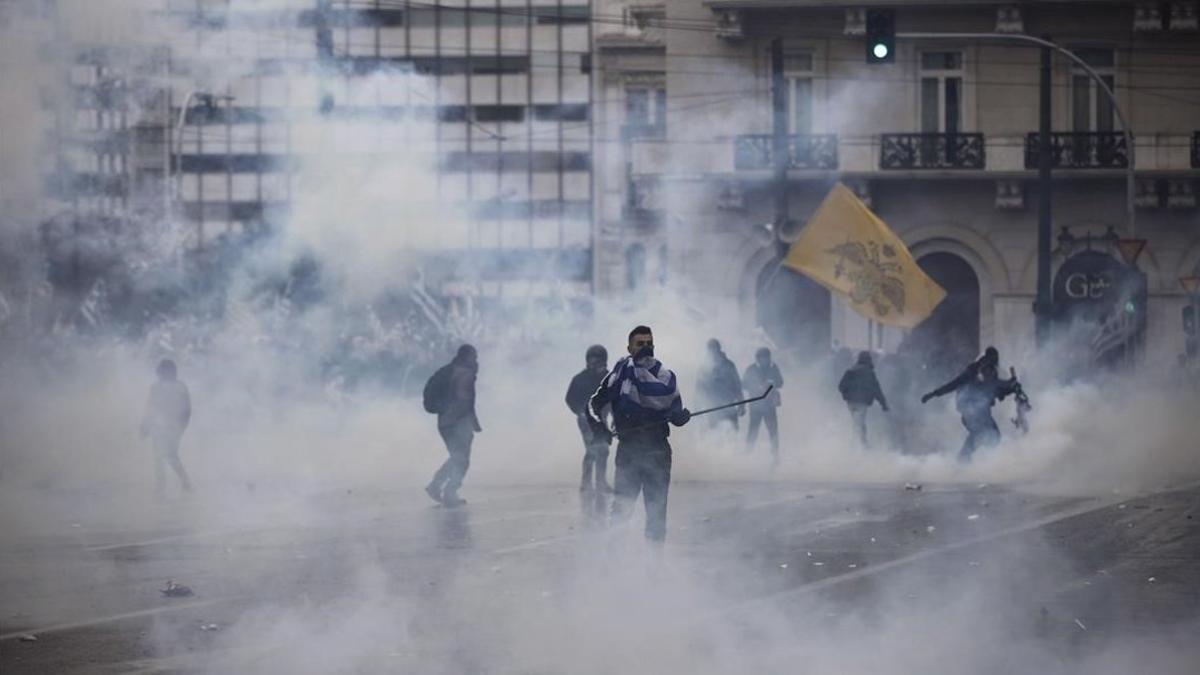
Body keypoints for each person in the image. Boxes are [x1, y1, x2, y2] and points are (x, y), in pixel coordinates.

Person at [587, 325, 691, 542]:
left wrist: (680, 418)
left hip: (658, 454)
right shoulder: (618, 376)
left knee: (656, 517)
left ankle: (654, 566)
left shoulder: (665, 379)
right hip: (628, 454)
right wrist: (599, 427)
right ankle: (613, 563)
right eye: (640, 344)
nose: (646, 348)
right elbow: (593, 405)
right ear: (629, 347)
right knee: (621, 514)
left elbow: (674, 412)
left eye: (649, 343)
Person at [920, 346, 1020, 461]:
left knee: (994, 436)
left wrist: (1012, 386)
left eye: (991, 366)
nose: (988, 371)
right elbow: (954, 384)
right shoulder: (972, 371)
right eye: (986, 367)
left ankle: (989, 463)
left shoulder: (992, 373)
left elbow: (998, 387)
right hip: (968, 408)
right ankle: (962, 459)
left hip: (983, 411)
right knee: (978, 432)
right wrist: (933, 394)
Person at [425, 344, 482, 507]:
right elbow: (465, 400)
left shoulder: (449, 370)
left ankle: (436, 485)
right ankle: (449, 492)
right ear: (468, 357)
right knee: (461, 459)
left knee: (457, 457)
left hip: (444, 422)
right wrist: (472, 422)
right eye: (474, 356)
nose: (476, 360)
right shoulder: (464, 373)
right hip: (457, 422)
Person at [140, 359, 192, 494]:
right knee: (161, 456)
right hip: (161, 426)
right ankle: (163, 485)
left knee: (169, 455)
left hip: (171, 426)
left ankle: (182, 481)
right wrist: (145, 426)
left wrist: (182, 425)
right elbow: (151, 407)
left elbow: (187, 408)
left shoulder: (178, 387)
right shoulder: (158, 387)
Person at [565, 345, 613, 492]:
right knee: (593, 449)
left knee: (603, 450)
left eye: (597, 359)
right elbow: (570, 398)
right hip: (585, 420)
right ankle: (587, 484)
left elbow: (615, 397)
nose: (594, 362)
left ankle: (600, 482)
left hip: (601, 419)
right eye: (592, 359)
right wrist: (579, 411)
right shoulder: (580, 379)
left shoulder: (608, 378)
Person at [838, 351, 889, 447]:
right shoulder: (869, 373)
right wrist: (884, 404)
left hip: (850, 402)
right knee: (860, 423)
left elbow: (841, 386)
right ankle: (860, 444)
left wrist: (847, 395)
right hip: (862, 402)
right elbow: (876, 389)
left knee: (856, 422)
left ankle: (857, 444)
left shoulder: (850, 371)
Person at [742, 347, 784, 462]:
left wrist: (772, 382)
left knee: (773, 431)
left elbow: (781, 382)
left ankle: (775, 456)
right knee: (753, 431)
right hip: (756, 406)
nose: (767, 360)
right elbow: (744, 384)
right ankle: (748, 455)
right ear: (759, 359)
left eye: (768, 357)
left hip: (770, 405)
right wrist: (756, 386)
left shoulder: (773, 368)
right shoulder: (751, 369)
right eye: (764, 358)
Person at [696, 338, 744, 431]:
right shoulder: (704, 367)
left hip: (728, 404)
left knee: (732, 432)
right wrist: (698, 406)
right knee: (715, 434)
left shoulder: (729, 365)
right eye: (711, 349)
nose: (713, 351)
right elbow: (700, 388)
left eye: (714, 348)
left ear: (719, 349)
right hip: (712, 406)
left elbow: (737, 385)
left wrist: (742, 404)